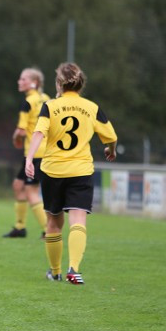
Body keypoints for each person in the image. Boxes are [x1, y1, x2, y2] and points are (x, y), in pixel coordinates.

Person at [25, 62, 117, 284]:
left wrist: (29, 158)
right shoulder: (92, 107)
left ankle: (55, 272)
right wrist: (110, 150)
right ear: (80, 84)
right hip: (80, 170)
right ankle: (74, 269)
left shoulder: (50, 106)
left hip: (53, 170)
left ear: (59, 83)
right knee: (78, 220)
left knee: (53, 223)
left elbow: (39, 133)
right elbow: (111, 137)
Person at [4, 67, 50, 239]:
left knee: (31, 191)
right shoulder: (46, 99)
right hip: (44, 150)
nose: (19, 81)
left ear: (34, 82)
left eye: (23, 79)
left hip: (35, 152)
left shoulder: (28, 102)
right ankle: (20, 227)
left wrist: (15, 137)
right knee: (18, 185)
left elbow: (21, 130)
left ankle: (48, 230)